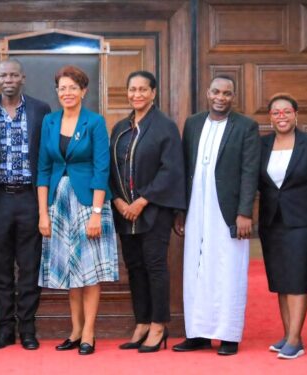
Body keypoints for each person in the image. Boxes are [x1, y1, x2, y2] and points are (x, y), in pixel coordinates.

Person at [172, 75, 260, 356]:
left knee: (228, 269)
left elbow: (250, 172)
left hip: (229, 210)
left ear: (233, 97)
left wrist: (245, 212)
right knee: (195, 269)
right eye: (216, 92)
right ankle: (197, 333)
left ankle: (228, 335)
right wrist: (180, 211)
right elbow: (184, 168)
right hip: (196, 205)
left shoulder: (246, 126)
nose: (221, 97)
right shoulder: (194, 123)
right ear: (207, 93)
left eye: (227, 93)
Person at [37, 65, 118, 355]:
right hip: (58, 201)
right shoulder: (49, 121)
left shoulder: (94, 122)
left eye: (73, 87)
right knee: (70, 270)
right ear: (57, 92)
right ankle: (74, 329)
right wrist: (42, 213)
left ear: (83, 91)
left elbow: (102, 167)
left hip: (89, 202)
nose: (67, 93)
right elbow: (43, 168)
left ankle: (89, 332)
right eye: (62, 88)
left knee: (89, 270)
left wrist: (97, 213)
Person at [0, 59, 52, 350]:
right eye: (4, 74)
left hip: (30, 199)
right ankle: (4, 330)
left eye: (14, 75)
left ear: (23, 78)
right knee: (1, 270)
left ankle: (28, 330)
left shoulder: (40, 109)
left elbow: (47, 153)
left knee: (30, 268)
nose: (8, 79)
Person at [109, 71, 185, 353]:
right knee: (135, 268)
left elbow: (171, 170)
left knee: (155, 266)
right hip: (124, 212)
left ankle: (158, 324)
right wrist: (117, 200)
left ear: (154, 93)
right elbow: (111, 169)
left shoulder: (164, 126)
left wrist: (142, 201)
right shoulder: (120, 127)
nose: (137, 94)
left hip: (153, 211)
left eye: (143, 89)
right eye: (132, 89)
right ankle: (141, 321)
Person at [258, 93, 307, 359]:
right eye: (276, 112)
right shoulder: (262, 144)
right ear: (270, 118)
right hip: (271, 222)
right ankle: (288, 334)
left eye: (286, 111)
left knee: (298, 279)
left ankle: (296, 339)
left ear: (296, 115)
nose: (281, 117)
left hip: (303, 222)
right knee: (281, 280)